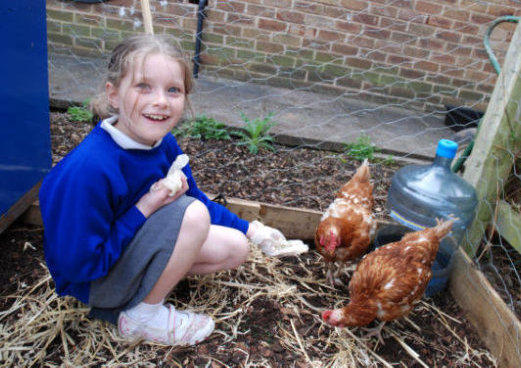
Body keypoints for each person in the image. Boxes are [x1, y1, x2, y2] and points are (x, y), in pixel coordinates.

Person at [39, 34, 307, 347]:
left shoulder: (161, 143)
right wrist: (146, 207)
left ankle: (138, 296)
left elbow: (196, 198)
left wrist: (253, 229)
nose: (161, 101)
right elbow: (80, 266)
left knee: (235, 247)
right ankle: (140, 317)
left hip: (122, 255)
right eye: (143, 87)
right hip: (92, 282)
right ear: (113, 94)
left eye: (173, 90)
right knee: (191, 216)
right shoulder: (90, 168)